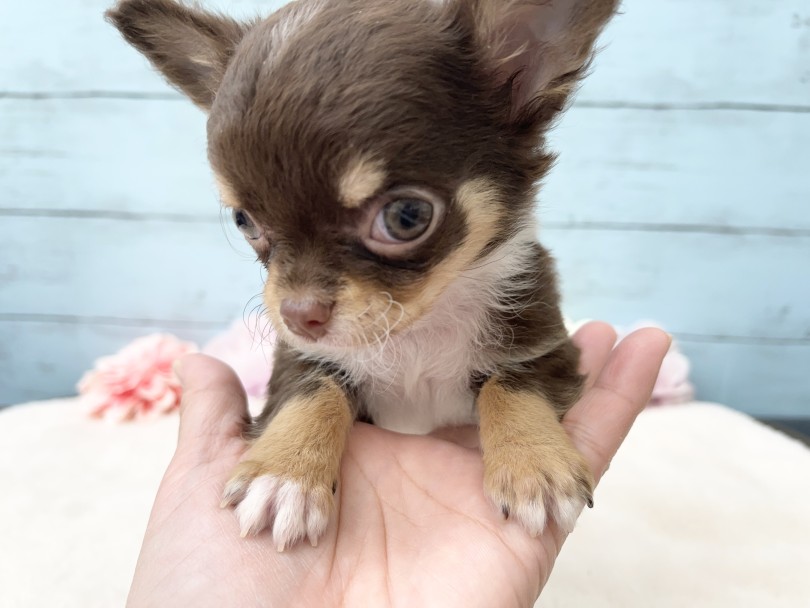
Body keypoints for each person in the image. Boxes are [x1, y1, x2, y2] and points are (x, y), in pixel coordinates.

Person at [127, 322, 670, 607]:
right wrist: (294, 455)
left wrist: (522, 430)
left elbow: (540, 364)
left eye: (403, 218)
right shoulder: (315, 322)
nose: (300, 302)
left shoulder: (518, 297)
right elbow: (307, 369)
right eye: (252, 224)